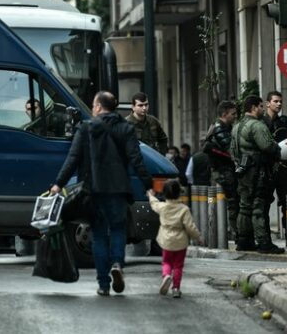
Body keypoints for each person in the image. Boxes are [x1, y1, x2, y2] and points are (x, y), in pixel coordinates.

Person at [50, 91, 153, 296]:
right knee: (117, 230)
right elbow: (136, 159)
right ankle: (117, 264)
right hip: (119, 189)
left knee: (98, 234)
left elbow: (72, 159)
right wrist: (148, 185)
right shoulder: (126, 128)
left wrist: (57, 184)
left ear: (98, 107)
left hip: (94, 189)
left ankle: (103, 284)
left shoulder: (86, 128)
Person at [229, 96, 283, 254]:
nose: (262, 109)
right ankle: (264, 242)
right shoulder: (257, 125)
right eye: (260, 106)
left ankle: (244, 241)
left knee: (244, 207)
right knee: (259, 206)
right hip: (258, 172)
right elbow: (267, 146)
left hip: (243, 171)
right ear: (253, 108)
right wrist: (277, 147)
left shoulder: (237, 126)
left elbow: (232, 150)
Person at [147, 179, 203, 299]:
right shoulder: (184, 209)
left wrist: (151, 196)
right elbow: (190, 227)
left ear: (165, 194)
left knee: (166, 262)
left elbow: (154, 204)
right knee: (178, 265)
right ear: (179, 193)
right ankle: (176, 288)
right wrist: (198, 237)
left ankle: (166, 275)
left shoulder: (163, 207)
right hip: (181, 241)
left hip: (166, 240)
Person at [261, 91, 287, 236]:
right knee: (264, 203)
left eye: (281, 101)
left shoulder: (286, 122)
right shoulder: (260, 123)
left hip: (285, 168)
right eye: (275, 101)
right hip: (267, 168)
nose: (279, 104)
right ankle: (265, 236)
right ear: (268, 103)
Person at [204, 100, 239, 239]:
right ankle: (234, 232)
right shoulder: (220, 129)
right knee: (232, 201)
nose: (235, 116)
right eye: (233, 114)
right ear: (224, 114)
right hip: (223, 170)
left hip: (221, 170)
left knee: (226, 201)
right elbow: (231, 149)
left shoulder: (219, 127)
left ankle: (227, 232)